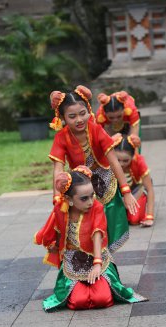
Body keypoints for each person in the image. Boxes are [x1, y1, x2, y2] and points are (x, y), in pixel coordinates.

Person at [34, 166, 147, 311]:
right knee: (78, 302)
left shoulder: (97, 207)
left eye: (92, 195)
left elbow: (97, 234)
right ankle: (82, 289)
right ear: (68, 199)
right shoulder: (60, 210)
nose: (90, 202)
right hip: (72, 261)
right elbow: (54, 232)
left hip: (98, 258)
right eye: (84, 198)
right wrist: (53, 245)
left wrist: (97, 263)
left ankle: (97, 286)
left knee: (102, 299)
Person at [48, 85, 139, 254]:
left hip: (106, 183)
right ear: (63, 118)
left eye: (83, 113)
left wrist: (126, 191)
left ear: (89, 110)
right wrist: (57, 198)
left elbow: (114, 162)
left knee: (108, 225)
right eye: (72, 116)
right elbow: (58, 169)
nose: (79, 119)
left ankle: (105, 263)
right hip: (81, 186)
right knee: (84, 228)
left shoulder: (96, 129)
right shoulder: (61, 137)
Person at [114, 136, 155, 227]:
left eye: (125, 160)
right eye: (118, 160)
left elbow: (150, 189)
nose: (121, 164)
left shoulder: (139, 161)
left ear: (133, 156)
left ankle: (141, 205)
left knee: (134, 220)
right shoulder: (109, 162)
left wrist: (149, 217)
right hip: (117, 194)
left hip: (136, 192)